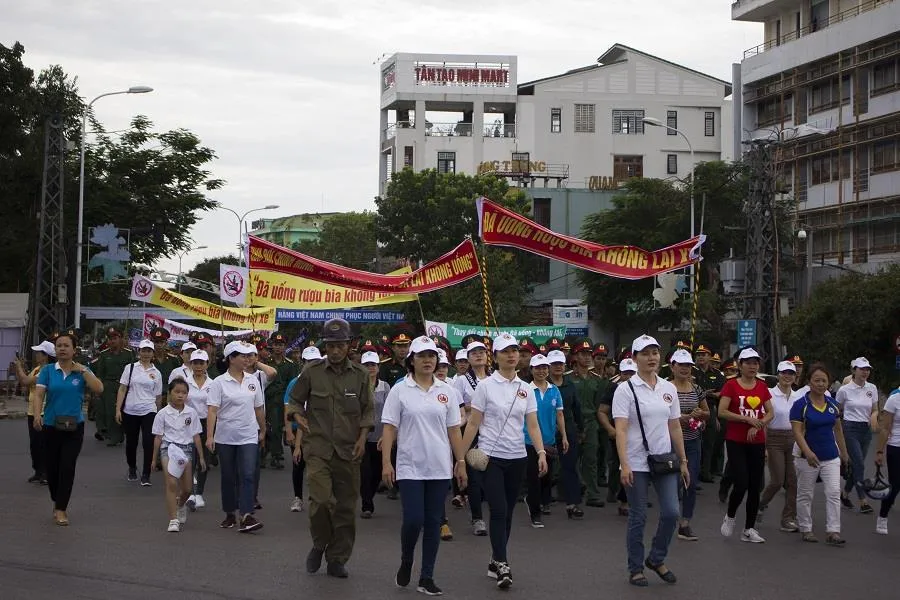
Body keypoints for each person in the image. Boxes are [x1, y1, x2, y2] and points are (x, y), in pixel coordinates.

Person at [381, 337, 468, 596]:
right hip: (410, 466)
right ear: (412, 360)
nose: (429, 360)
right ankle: (407, 558)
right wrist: (387, 462)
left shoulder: (448, 391)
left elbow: (454, 430)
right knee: (413, 520)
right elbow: (389, 427)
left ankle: (426, 577)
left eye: (432, 356)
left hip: (440, 467)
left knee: (432, 523)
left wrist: (460, 462)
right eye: (422, 356)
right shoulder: (400, 389)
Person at [288, 318, 373, 579]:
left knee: (346, 508)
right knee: (321, 502)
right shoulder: (312, 372)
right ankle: (319, 543)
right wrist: (296, 416)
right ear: (325, 345)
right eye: (331, 345)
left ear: (348, 345)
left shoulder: (359, 375)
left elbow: (367, 410)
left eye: (340, 345)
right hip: (319, 449)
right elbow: (294, 400)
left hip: (349, 451)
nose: (335, 350)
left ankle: (337, 559)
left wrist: (362, 438)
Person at [460, 333, 547, 590]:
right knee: (497, 510)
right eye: (506, 351)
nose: (511, 355)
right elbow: (474, 422)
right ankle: (504, 563)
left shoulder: (526, 388)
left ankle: (495, 558)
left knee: (508, 513)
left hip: (517, 457)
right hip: (491, 457)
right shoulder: (485, 386)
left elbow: (532, 424)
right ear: (495, 357)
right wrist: (460, 458)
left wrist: (541, 452)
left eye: (515, 350)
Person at [613, 335, 688, 587]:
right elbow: (621, 430)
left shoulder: (668, 388)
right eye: (645, 353)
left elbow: (674, 425)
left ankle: (656, 558)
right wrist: (624, 464)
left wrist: (684, 460)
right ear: (634, 359)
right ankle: (635, 568)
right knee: (638, 516)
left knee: (671, 511)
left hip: (664, 460)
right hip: (636, 462)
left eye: (655, 352)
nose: (651, 358)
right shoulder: (625, 389)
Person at [32, 330, 104, 526]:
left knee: (67, 466)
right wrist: (37, 414)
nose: (62, 349)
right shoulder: (47, 371)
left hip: (74, 427)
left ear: (74, 350)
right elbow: (39, 395)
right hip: (50, 425)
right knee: (52, 468)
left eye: (66, 346)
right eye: (59, 346)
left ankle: (61, 508)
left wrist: (83, 371)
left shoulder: (82, 371)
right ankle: (57, 500)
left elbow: (99, 389)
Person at [207, 341, 266, 533]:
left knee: (248, 475)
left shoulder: (253, 380)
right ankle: (230, 512)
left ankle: (246, 515)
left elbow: (258, 409)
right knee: (229, 476)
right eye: (243, 355)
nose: (247, 359)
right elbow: (212, 411)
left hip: (248, 435)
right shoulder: (218, 383)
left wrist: (263, 429)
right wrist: (210, 436)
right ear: (231, 358)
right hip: (225, 437)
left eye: (249, 355)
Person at [718, 348, 774, 543]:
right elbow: (722, 411)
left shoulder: (762, 386)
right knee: (741, 482)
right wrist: (746, 420)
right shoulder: (731, 385)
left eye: (755, 363)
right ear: (739, 365)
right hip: (735, 441)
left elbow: (769, 413)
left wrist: (759, 423)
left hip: (757, 442)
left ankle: (748, 529)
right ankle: (730, 516)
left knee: (755, 486)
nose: (752, 366)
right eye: (748, 362)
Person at [791, 363, 849, 545]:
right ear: (809, 382)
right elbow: (797, 432)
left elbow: (838, 430)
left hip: (831, 456)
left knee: (833, 492)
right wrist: (807, 452)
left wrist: (844, 454)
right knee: (805, 494)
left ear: (829, 383)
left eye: (824, 381)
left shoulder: (832, 405)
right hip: (807, 458)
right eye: (817, 380)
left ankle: (833, 531)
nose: (821, 384)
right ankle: (806, 528)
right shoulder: (801, 405)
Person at [150, 379, 206, 532]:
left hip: (186, 449)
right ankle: (173, 519)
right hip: (168, 448)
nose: (180, 396)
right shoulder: (162, 413)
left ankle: (180, 505)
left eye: (184, 393)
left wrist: (201, 457)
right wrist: (154, 459)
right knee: (171, 483)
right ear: (169, 393)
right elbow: (158, 437)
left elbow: (196, 436)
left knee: (187, 489)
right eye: (177, 392)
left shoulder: (191, 412)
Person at [669, 349, 709, 542]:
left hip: (693, 441)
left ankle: (685, 523)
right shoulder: (665, 388)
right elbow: (661, 415)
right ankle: (669, 518)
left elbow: (707, 411)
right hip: (670, 442)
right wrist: (684, 418)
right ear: (672, 366)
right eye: (681, 365)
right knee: (672, 483)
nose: (685, 369)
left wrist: (700, 415)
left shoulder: (696, 389)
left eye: (688, 366)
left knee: (690, 482)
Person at [524, 353, 568, 528]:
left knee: (547, 476)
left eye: (544, 368)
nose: (541, 371)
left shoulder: (554, 390)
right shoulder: (526, 389)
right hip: (529, 440)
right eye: (538, 368)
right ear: (531, 370)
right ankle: (535, 513)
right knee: (534, 476)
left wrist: (564, 436)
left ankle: (541, 500)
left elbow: (559, 414)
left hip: (549, 439)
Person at [453, 338, 492, 535]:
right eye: (473, 352)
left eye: (481, 352)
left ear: (487, 356)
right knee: (475, 477)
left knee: (493, 477)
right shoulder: (461, 380)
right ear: (468, 358)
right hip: (470, 430)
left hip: (494, 431)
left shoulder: (495, 378)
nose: (478, 355)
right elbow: (457, 408)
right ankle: (477, 518)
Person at [759, 360, 800, 532]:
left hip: (793, 438)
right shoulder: (769, 394)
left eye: (791, 373)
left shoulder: (798, 396)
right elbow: (765, 422)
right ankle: (759, 505)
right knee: (777, 480)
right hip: (774, 439)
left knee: (792, 481)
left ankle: (788, 518)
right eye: (784, 373)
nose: (787, 376)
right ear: (778, 375)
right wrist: (765, 447)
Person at [116, 339, 164, 486]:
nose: (146, 353)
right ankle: (132, 467)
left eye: (149, 351)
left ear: (153, 353)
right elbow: (122, 389)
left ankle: (146, 474)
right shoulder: (130, 368)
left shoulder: (156, 372)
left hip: (149, 410)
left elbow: (158, 396)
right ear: (139, 352)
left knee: (149, 443)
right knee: (131, 443)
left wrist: (159, 414)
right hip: (130, 410)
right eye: (143, 350)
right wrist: (118, 409)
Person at [837, 357, 880, 514]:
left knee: (856, 466)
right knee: (860, 464)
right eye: (862, 369)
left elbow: (875, 408)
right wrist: (839, 430)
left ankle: (845, 494)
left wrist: (874, 416)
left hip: (866, 430)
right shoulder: (844, 390)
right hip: (850, 428)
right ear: (854, 370)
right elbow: (838, 410)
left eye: (867, 369)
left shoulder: (872, 388)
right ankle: (863, 501)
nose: (865, 372)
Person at [569, 338, 606, 508]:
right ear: (575, 356)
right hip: (573, 423)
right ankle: (574, 490)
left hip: (591, 423)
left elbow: (599, 404)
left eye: (588, 354)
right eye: (582, 354)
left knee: (591, 458)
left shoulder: (596, 379)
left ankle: (593, 493)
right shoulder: (567, 378)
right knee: (572, 459)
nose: (586, 357)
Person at [548, 349, 585, 519]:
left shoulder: (570, 385)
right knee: (545, 468)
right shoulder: (542, 384)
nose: (557, 367)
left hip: (568, 430)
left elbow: (577, 409)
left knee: (570, 467)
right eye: (554, 364)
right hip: (546, 430)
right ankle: (543, 501)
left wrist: (581, 429)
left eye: (560, 364)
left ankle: (573, 503)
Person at [434, 348, 466, 540]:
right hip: (421, 447)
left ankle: (442, 520)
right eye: (439, 366)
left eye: (445, 366)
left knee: (441, 482)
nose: (441, 370)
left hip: (445, 444)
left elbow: (462, 416)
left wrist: (452, 425)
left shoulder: (452, 391)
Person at [598, 358, 636, 516]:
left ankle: (629, 499)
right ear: (620, 374)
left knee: (636, 466)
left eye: (632, 373)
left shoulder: (645, 387)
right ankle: (615, 492)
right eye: (625, 373)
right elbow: (602, 411)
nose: (629, 376)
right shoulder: (614, 387)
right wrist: (610, 429)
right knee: (617, 464)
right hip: (618, 432)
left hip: (638, 434)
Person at [14, 340, 55, 484]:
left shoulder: (47, 370)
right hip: (32, 412)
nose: (37, 355)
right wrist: (19, 369)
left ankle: (46, 473)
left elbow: (26, 381)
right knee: (34, 444)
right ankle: (38, 471)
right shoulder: (37, 369)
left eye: (40, 353)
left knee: (43, 444)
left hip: (43, 412)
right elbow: (23, 381)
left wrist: (19, 367)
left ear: (46, 356)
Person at [359, 351, 391, 519]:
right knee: (365, 471)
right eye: (367, 365)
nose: (370, 368)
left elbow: (389, 411)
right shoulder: (357, 385)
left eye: (373, 365)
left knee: (377, 471)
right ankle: (366, 504)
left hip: (380, 436)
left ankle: (368, 496)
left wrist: (387, 435)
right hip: (362, 435)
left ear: (378, 367)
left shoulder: (385, 387)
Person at [90, 326, 133, 445]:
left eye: (115, 338)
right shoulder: (104, 354)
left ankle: (120, 433)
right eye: (110, 338)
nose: (113, 341)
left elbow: (133, 371)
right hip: (109, 385)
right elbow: (100, 374)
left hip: (124, 385)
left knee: (124, 410)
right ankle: (114, 435)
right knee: (111, 411)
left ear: (120, 338)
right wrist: (99, 389)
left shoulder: (129, 354)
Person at [181, 349, 212, 510]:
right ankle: (190, 493)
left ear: (207, 364)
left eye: (202, 363)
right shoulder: (184, 382)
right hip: (188, 423)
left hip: (207, 423)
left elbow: (215, 408)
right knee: (190, 458)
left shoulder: (213, 384)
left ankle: (199, 492)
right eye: (195, 363)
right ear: (191, 364)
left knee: (204, 459)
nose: (198, 366)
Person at [263, 332, 297, 470]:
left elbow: (293, 385)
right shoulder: (266, 363)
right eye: (276, 344)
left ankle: (276, 454)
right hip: (268, 399)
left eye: (281, 345)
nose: (278, 347)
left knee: (276, 427)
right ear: (272, 345)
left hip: (283, 400)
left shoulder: (290, 364)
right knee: (267, 427)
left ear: (285, 346)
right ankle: (268, 453)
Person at [694, 343, 725, 483]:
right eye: (698, 354)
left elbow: (722, 393)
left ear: (709, 357)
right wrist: (705, 393)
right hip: (694, 410)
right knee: (694, 441)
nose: (700, 357)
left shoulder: (717, 374)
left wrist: (708, 394)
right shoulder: (692, 371)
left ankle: (705, 472)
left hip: (710, 410)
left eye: (703, 354)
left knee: (709, 442)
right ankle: (693, 472)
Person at [874, 388, 900, 534]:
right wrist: (879, 451)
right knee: (895, 485)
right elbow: (885, 428)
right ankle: (883, 516)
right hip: (896, 447)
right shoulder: (895, 399)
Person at [149, 327, 182, 392]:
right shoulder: (148, 359)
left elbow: (177, 380)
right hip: (150, 395)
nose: (159, 345)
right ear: (152, 343)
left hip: (168, 396)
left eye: (161, 342)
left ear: (166, 343)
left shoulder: (173, 360)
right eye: (156, 342)